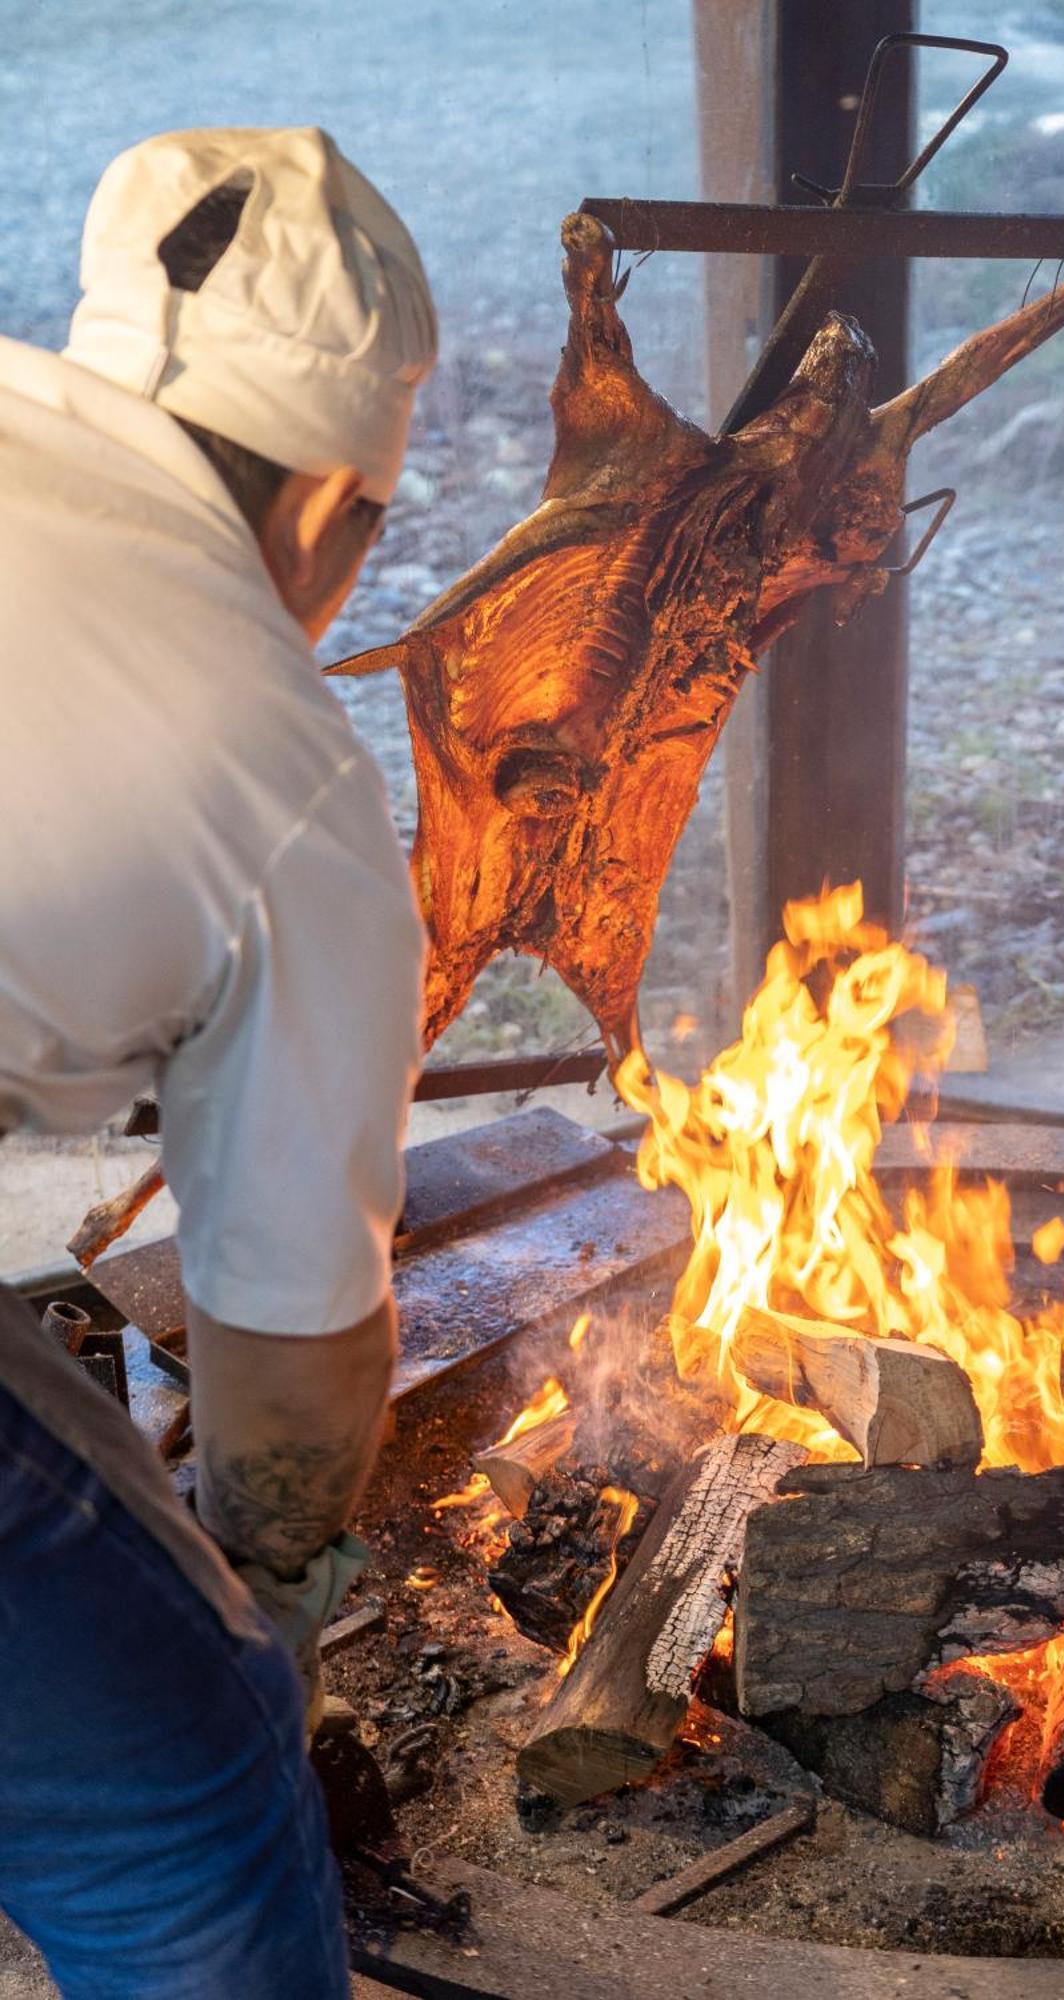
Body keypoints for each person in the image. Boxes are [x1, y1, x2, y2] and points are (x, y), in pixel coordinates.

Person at [0, 127, 437, 1997]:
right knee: (195, 1778)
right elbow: (294, 1351)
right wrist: (262, 1608)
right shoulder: (288, 785)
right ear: (336, 508)